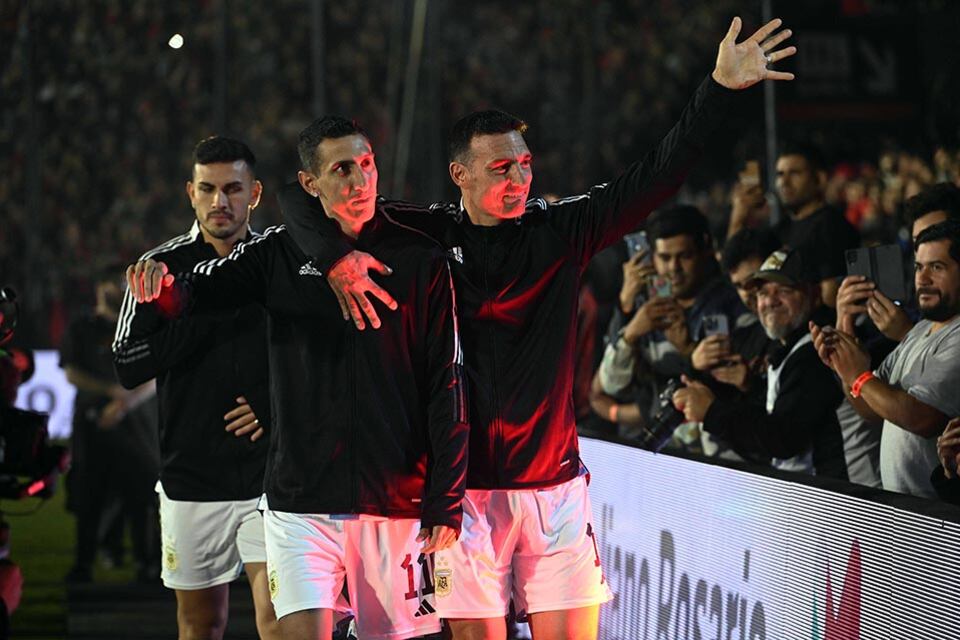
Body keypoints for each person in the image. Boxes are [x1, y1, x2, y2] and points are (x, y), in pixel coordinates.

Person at [279, 17, 795, 639]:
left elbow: (655, 176)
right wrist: (333, 259)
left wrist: (716, 89)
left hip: (554, 491)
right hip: (464, 498)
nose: (520, 180)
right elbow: (300, 202)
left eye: (525, 165)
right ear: (460, 175)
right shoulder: (423, 234)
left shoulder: (561, 231)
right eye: (501, 169)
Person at [124, 116, 468, 640]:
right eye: (342, 169)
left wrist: (445, 495)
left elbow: (446, 382)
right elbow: (198, 293)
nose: (360, 181)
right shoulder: (278, 254)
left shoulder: (420, 256)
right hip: (298, 503)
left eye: (367, 164)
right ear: (311, 183)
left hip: (394, 500)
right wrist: (164, 290)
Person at [112, 137, 277, 640]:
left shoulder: (279, 261)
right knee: (200, 624)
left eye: (233, 188)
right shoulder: (157, 268)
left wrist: (271, 405)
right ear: (190, 192)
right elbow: (127, 365)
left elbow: (314, 357)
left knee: (280, 620)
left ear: (255, 193)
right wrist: (193, 314)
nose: (219, 201)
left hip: (271, 477)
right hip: (192, 477)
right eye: (207, 189)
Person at [672, 248, 872, 480]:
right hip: (821, 490)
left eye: (784, 290)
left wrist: (711, 412)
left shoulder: (820, 349)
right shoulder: (789, 345)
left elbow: (783, 438)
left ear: (814, 293)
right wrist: (750, 387)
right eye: (762, 292)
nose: (769, 301)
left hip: (846, 494)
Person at [811, 220, 960, 498]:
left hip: (936, 512)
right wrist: (845, 362)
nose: (923, 279)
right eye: (919, 267)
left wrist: (858, 375)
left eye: (937, 267)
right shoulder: (921, 330)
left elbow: (921, 417)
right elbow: (869, 408)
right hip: (903, 508)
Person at [594, 206, 750, 446]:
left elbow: (741, 388)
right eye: (664, 258)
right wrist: (628, 321)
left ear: (705, 251)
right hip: (664, 449)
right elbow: (611, 384)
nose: (674, 268)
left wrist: (688, 349)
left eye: (684, 256)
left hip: (721, 452)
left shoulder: (732, 304)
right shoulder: (647, 311)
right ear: (651, 258)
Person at [61, 266, 158, 583]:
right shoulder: (82, 327)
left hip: (137, 428)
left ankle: (147, 564)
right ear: (99, 287)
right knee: (90, 496)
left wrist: (123, 403)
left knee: (142, 497)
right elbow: (72, 372)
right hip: (93, 426)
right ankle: (83, 564)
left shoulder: (143, 325)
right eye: (115, 283)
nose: (120, 289)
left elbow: (157, 373)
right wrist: (111, 392)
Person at [836, 181, 960, 342]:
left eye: (934, 237)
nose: (924, 249)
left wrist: (905, 333)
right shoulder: (908, 288)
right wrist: (845, 321)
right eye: (918, 242)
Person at [773, 141, 860, 308]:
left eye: (794, 173)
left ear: (820, 178)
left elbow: (831, 298)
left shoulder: (832, 227)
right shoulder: (781, 229)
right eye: (780, 174)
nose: (784, 181)